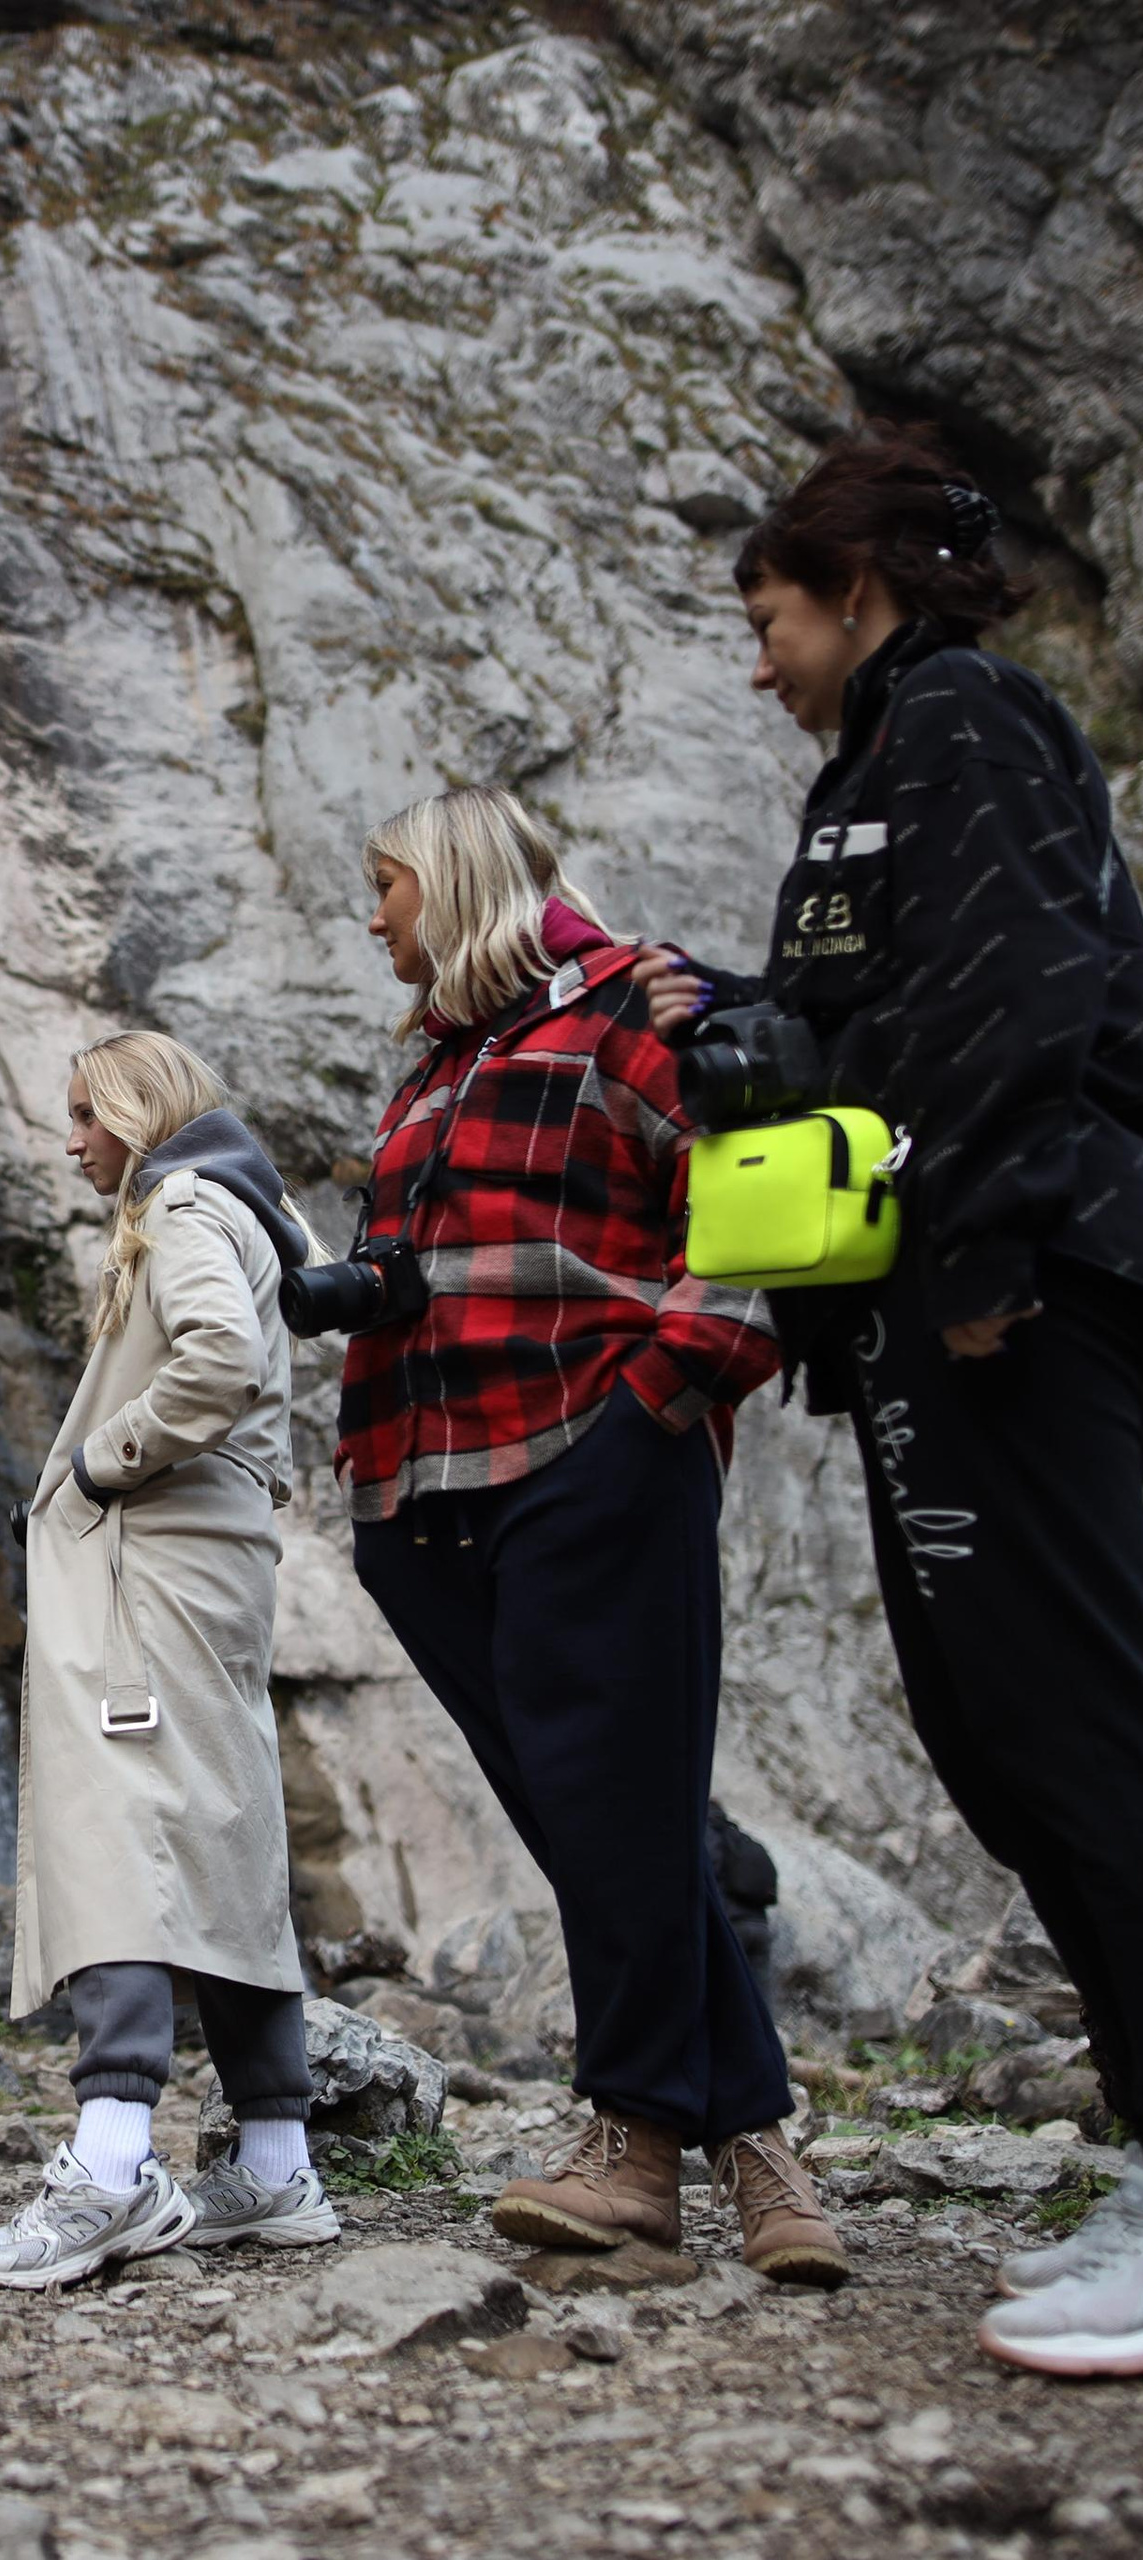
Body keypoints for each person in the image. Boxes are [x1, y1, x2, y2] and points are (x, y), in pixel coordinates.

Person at [634, 421, 1143, 2376]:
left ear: (853, 590)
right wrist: (735, 1024)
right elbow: (867, 1036)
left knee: (1079, 1714)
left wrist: (1000, 1261)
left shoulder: (965, 725)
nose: (749, 659)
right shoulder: (867, 772)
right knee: (1002, 1728)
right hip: (928, 1313)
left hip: (1018, 1300)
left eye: (761, 615)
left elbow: (1023, 1005)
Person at [337, 786, 848, 2286]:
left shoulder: (640, 1005)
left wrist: (661, 1405)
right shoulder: (438, 1059)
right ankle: (757, 2145)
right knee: (597, 1813)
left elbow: (750, 1217)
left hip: (590, 1449)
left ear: (456, 879)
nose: (374, 922)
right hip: (419, 1489)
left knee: (611, 1803)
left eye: (388, 889)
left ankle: (636, 2147)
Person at [0, 1030, 339, 2290]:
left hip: (153, 1563)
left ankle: (115, 2158)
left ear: (139, 1113)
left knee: (116, 1826)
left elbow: (218, 1365)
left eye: (85, 1114)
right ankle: (277, 2160)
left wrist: (99, 1458)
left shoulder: (179, 1200)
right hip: (212, 1568)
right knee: (221, 1831)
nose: (71, 1139)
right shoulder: (239, 1205)